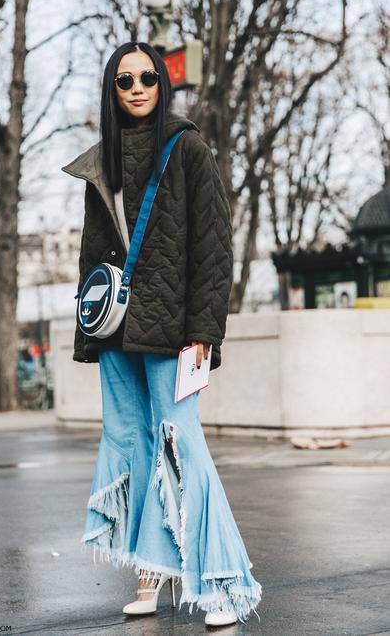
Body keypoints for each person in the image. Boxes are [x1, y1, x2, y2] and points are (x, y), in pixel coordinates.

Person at [61, 41, 262, 626]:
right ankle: (151, 572)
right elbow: (92, 256)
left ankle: (223, 583)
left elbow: (214, 247)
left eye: (148, 76)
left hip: (174, 330)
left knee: (180, 444)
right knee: (129, 442)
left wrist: (205, 332)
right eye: (125, 80)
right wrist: (88, 332)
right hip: (119, 330)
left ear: (162, 83)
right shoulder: (102, 161)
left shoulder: (187, 148)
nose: (138, 87)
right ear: (112, 91)